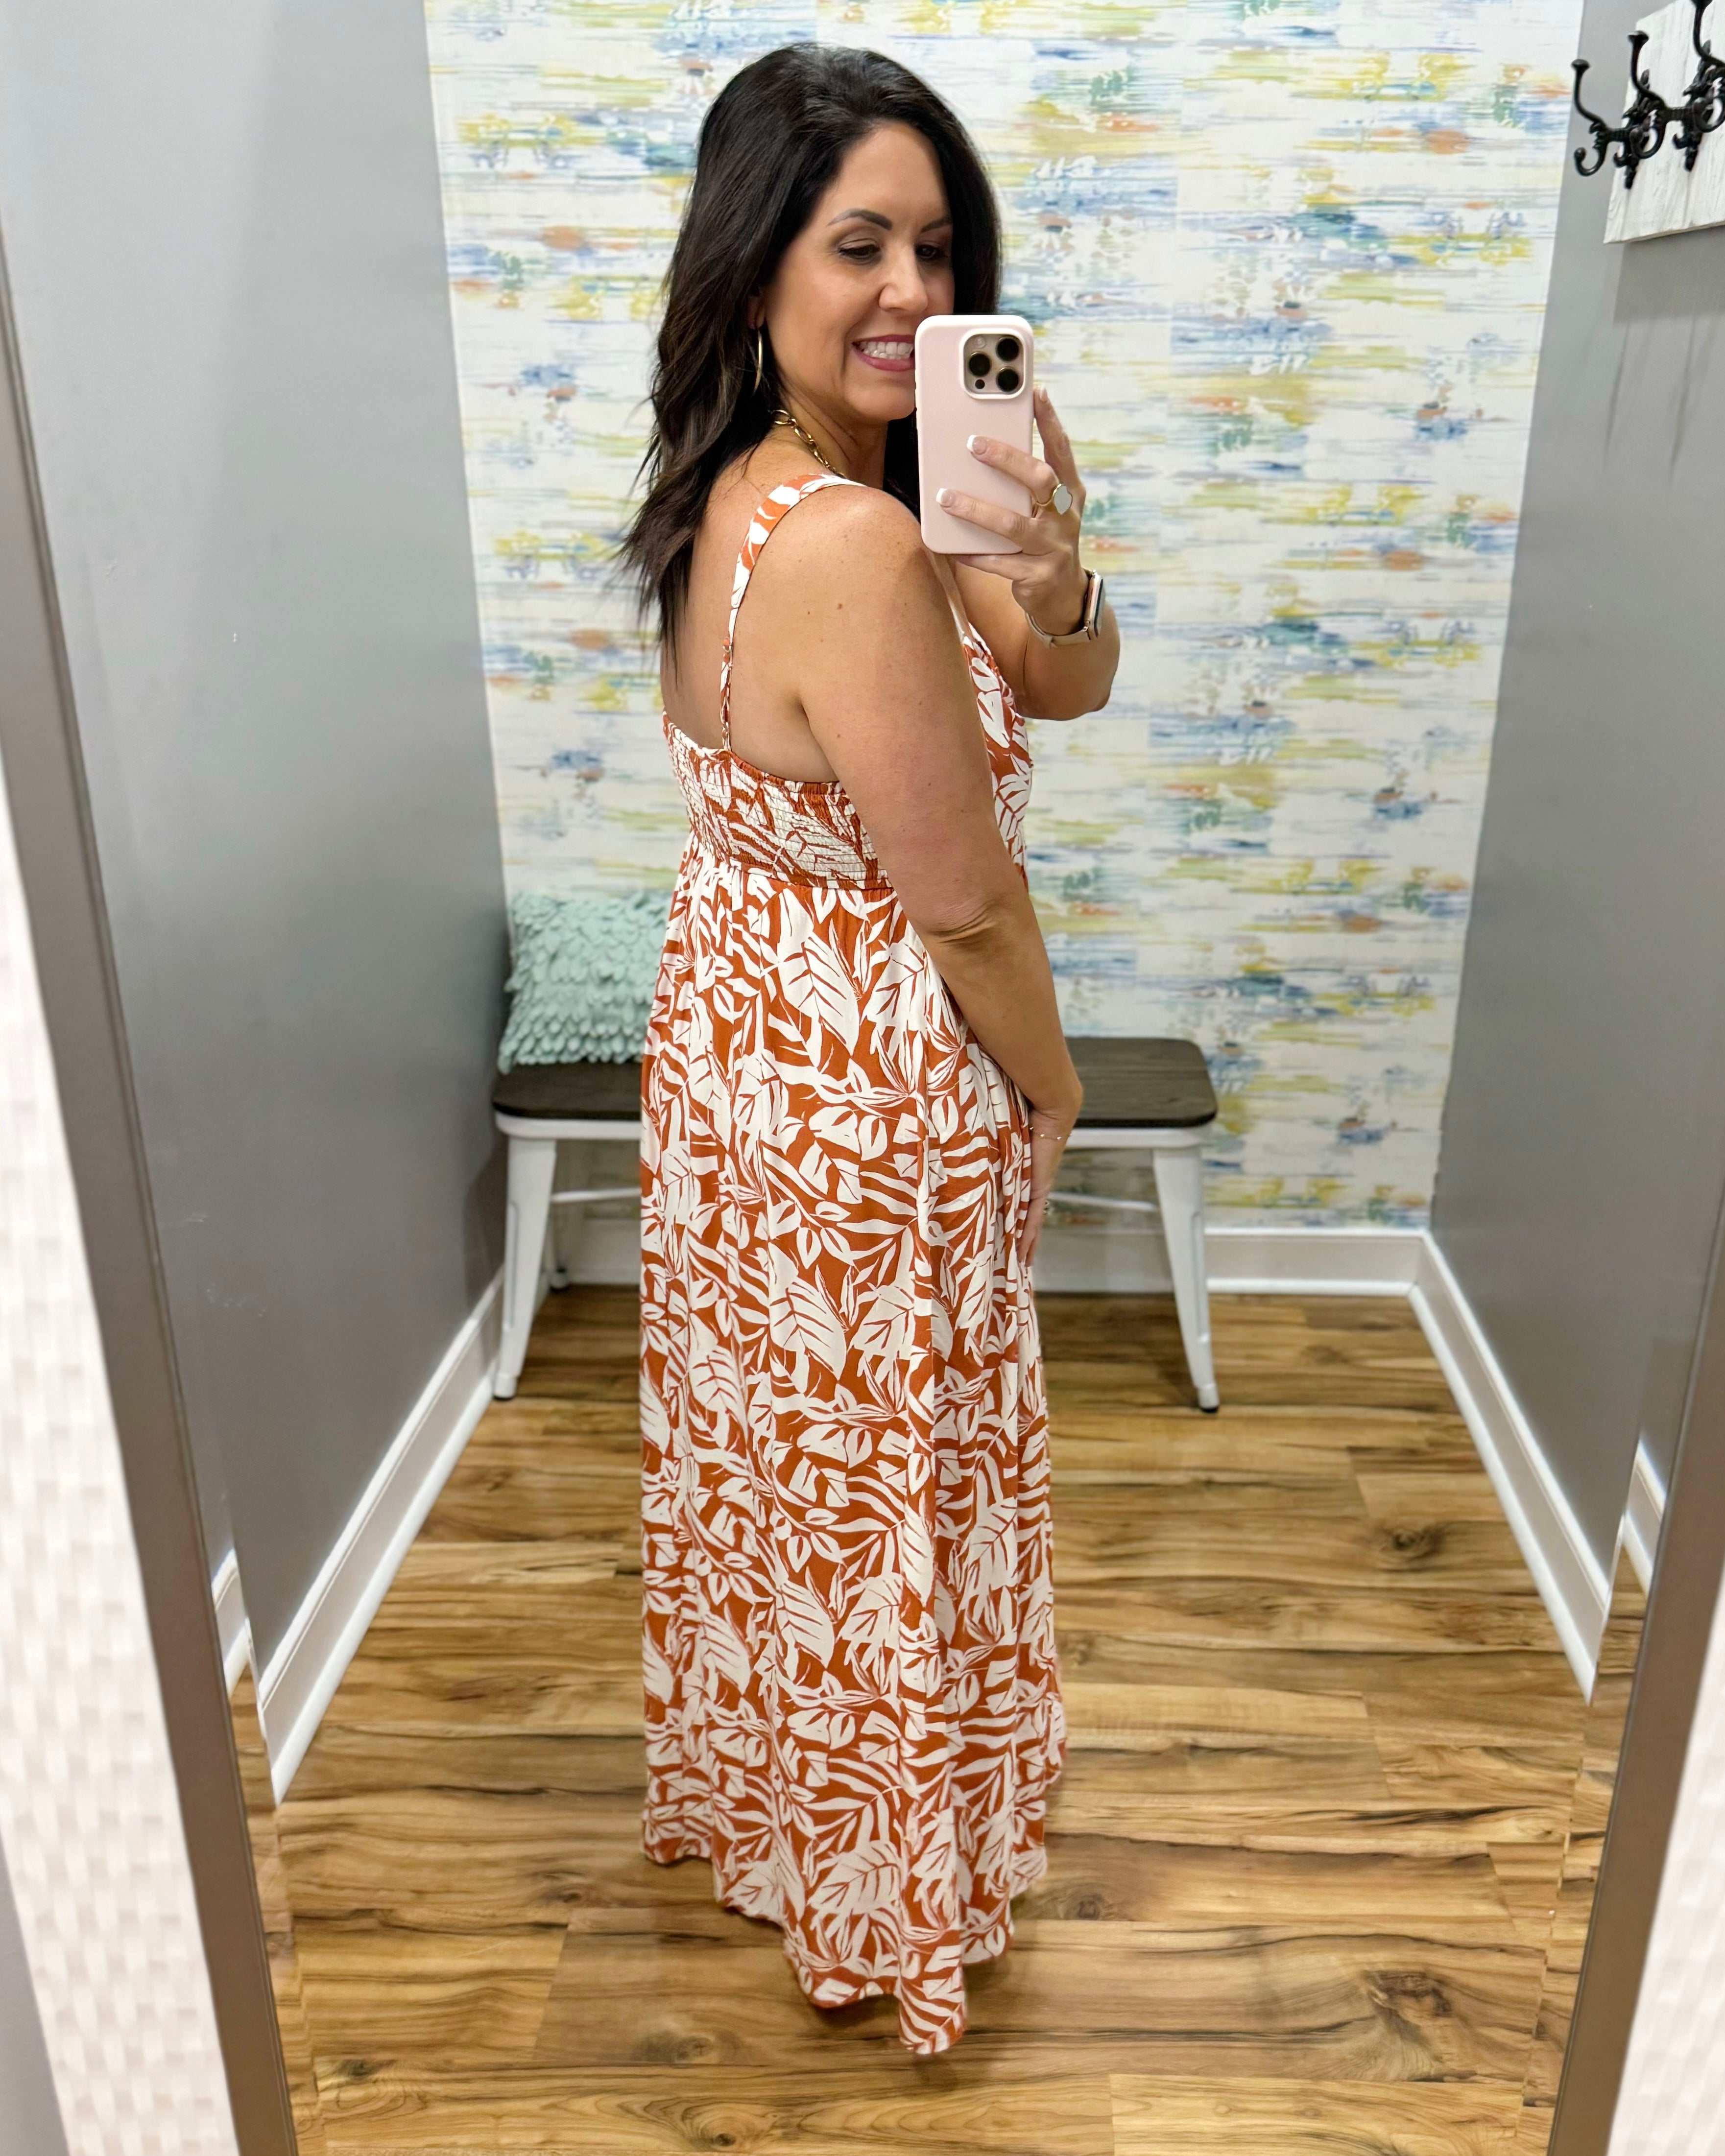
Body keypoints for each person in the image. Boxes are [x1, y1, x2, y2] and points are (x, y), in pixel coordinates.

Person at [621, 41, 1120, 2056]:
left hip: (742, 1046)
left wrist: (1045, 562)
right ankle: (882, 1890)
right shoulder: (839, 539)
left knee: (793, 1478)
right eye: (855, 245)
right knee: (883, 1479)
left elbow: (1062, 684)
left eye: (935, 242)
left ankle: (793, 1814)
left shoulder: (767, 494)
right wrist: (1059, 1084)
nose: (909, 288)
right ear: (755, 272)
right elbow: (966, 894)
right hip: (859, 1082)